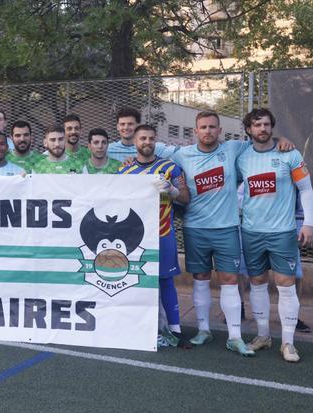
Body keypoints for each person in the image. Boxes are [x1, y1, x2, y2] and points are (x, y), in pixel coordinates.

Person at [171, 111, 255, 354]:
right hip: (195, 228)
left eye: (212, 127)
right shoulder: (181, 154)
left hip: (227, 228)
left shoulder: (233, 148)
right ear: (195, 131)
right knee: (200, 280)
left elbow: (262, 141)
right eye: (203, 127)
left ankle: (235, 336)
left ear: (220, 131)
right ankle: (204, 330)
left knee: (229, 280)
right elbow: (149, 150)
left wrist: (282, 141)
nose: (207, 131)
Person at [237, 108, 313, 363]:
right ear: (249, 129)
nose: (263, 129)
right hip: (251, 232)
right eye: (257, 125)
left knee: (286, 285)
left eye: (267, 124)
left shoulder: (289, 152)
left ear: (273, 127)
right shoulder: (241, 156)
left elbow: (306, 189)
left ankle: (289, 343)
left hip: (282, 232)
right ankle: (263, 336)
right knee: (257, 283)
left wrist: (308, 223)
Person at [119, 124, 191, 349]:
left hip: (163, 233)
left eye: (151, 138)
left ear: (155, 140)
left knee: (165, 281)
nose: (147, 142)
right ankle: (139, 327)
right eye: (143, 138)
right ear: (135, 141)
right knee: (135, 281)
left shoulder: (170, 168)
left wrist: (172, 191)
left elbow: (186, 198)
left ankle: (175, 329)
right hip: (134, 238)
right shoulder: (124, 171)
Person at [108, 107, 175, 162]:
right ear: (117, 127)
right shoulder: (108, 149)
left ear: (138, 126)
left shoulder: (153, 147)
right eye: (122, 124)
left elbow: (180, 152)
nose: (126, 127)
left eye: (130, 124)